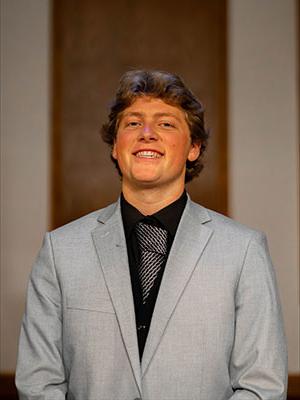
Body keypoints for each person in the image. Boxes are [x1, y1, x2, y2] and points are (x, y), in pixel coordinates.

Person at [16, 70, 287, 400]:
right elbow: (37, 384)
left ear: (194, 148)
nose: (147, 133)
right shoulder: (60, 251)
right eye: (132, 123)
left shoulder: (244, 251)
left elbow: (262, 387)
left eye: (166, 123)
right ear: (116, 147)